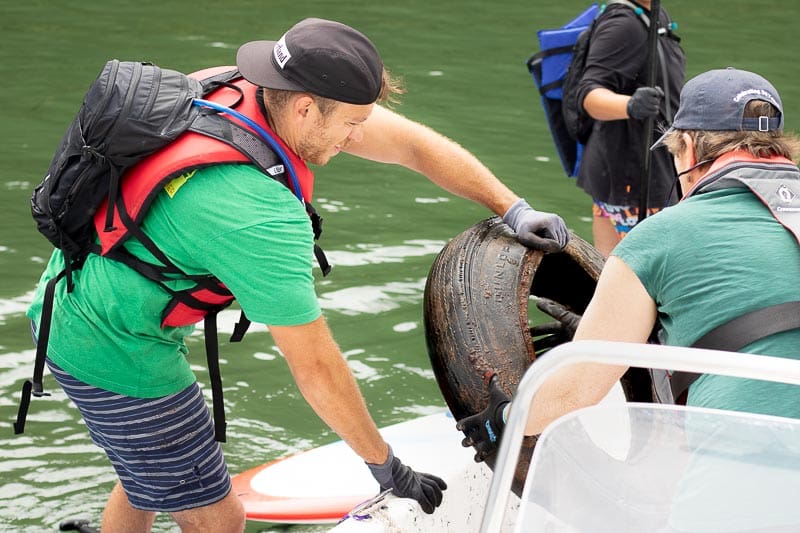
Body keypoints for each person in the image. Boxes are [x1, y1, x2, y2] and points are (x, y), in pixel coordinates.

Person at [25, 17, 569, 533]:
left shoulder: (237, 87)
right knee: (219, 517)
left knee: (146, 469)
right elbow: (314, 367)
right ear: (307, 108)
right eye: (350, 126)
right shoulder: (257, 212)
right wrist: (385, 465)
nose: (355, 139)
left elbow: (413, 145)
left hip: (75, 292)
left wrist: (511, 208)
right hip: (112, 348)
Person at [459, 66, 800, 453]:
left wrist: (500, 421)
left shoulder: (659, 237)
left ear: (687, 146)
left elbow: (574, 392)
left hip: (739, 483)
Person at [576, 0, 685, 256]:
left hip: (648, 172)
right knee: (645, 279)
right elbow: (589, 94)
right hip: (633, 181)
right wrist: (631, 105)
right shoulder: (623, 24)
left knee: (606, 277)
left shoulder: (654, 17)